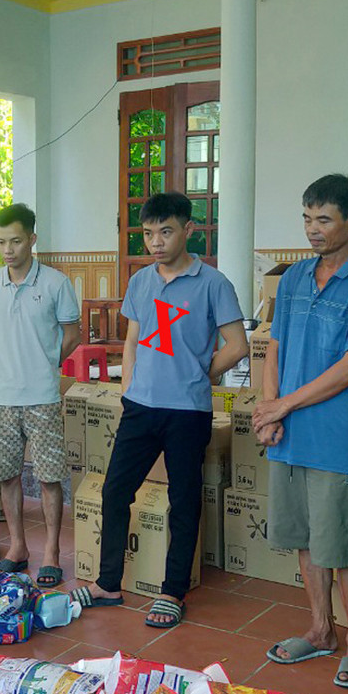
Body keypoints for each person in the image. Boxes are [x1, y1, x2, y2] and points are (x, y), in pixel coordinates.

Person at [72, 192, 247, 627]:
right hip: (140, 407)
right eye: (148, 233)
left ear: (189, 230)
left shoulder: (213, 283)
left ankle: (172, 592)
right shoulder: (141, 282)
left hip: (187, 411)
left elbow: (238, 345)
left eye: (165, 231)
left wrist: (200, 373)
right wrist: (128, 387)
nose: (155, 242)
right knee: (115, 490)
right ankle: (107, 582)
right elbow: (132, 340)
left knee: (183, 500)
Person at [254, 175, 348, 688]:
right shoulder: (292, 279)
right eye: (307, 218)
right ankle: (320, 629)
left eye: (324, 220)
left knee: (341, 546)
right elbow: (275, 348)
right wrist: (270, 410)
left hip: (336, 436)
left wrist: (281, 405)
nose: (313, 230)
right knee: (306, 541)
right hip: (291, 434)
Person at [0, 203, 81, 585]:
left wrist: (43, 364)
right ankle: (18, 547)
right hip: (0, 396)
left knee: (50, 477)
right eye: (2, 242)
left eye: (16, 241)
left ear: (32, 240)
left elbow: (71, 335)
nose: (8, 249)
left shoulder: (56, 283)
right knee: (6, 476)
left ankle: (52, 552)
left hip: (42, 395)